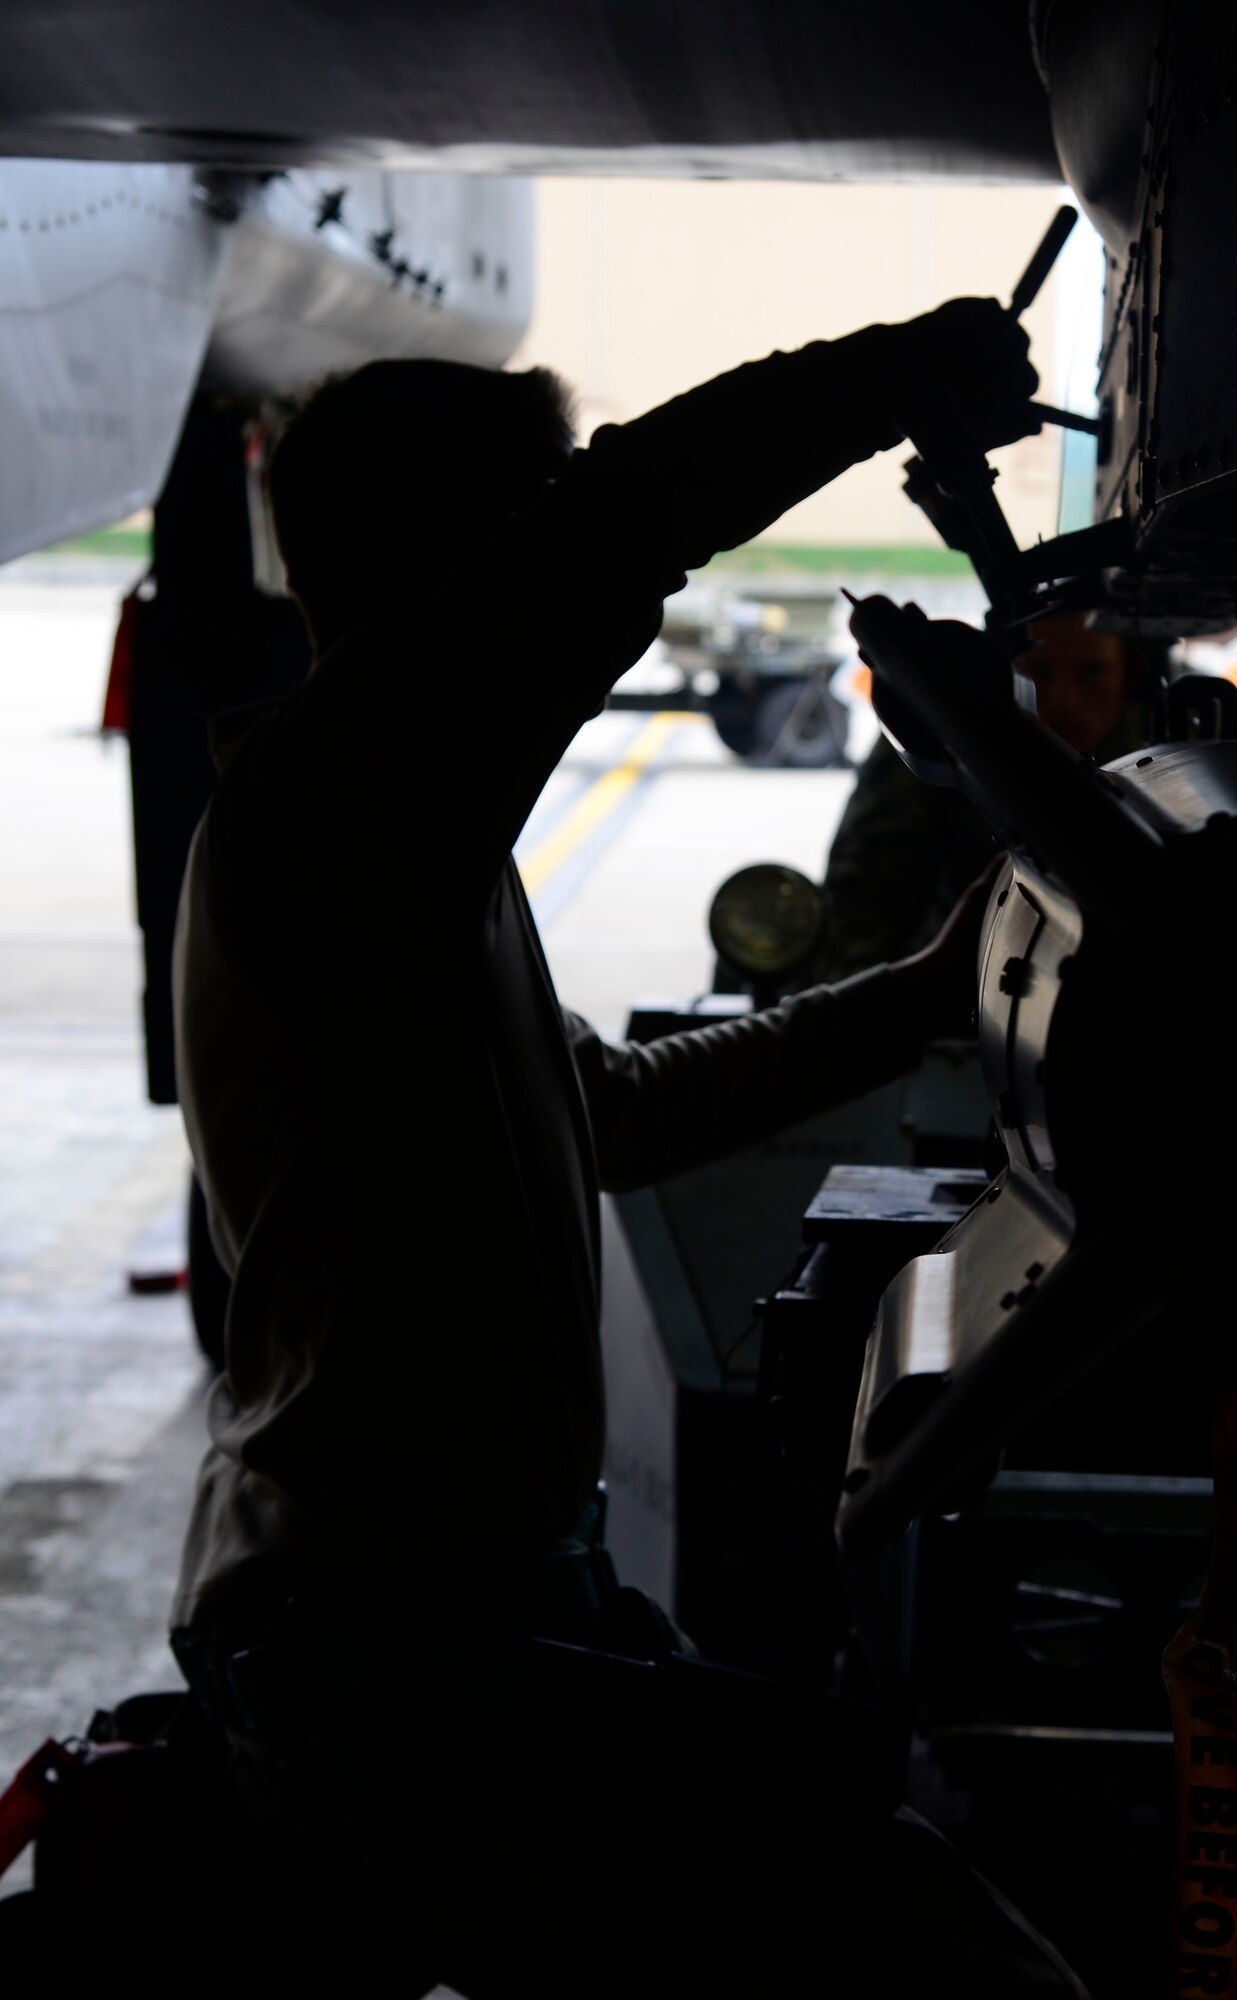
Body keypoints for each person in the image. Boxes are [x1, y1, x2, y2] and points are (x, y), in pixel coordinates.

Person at [16, 312, 1091, 1996]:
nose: (620, 612)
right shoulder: (343, 800)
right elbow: (627, 522)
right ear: (436, 564)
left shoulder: (397, 852)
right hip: (401, 1656)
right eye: (524, 531)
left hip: (437, 1620)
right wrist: (888, 374)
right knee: (921, 1939)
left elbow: (611, 1110)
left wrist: (918, 998)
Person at [817, 610, 1163, 979]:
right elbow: (865, 900)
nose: (1067, 702)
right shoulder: (942, 738)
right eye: (1039, 673)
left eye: (1092, 673)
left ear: (1129, 675)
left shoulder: (1171, 739)